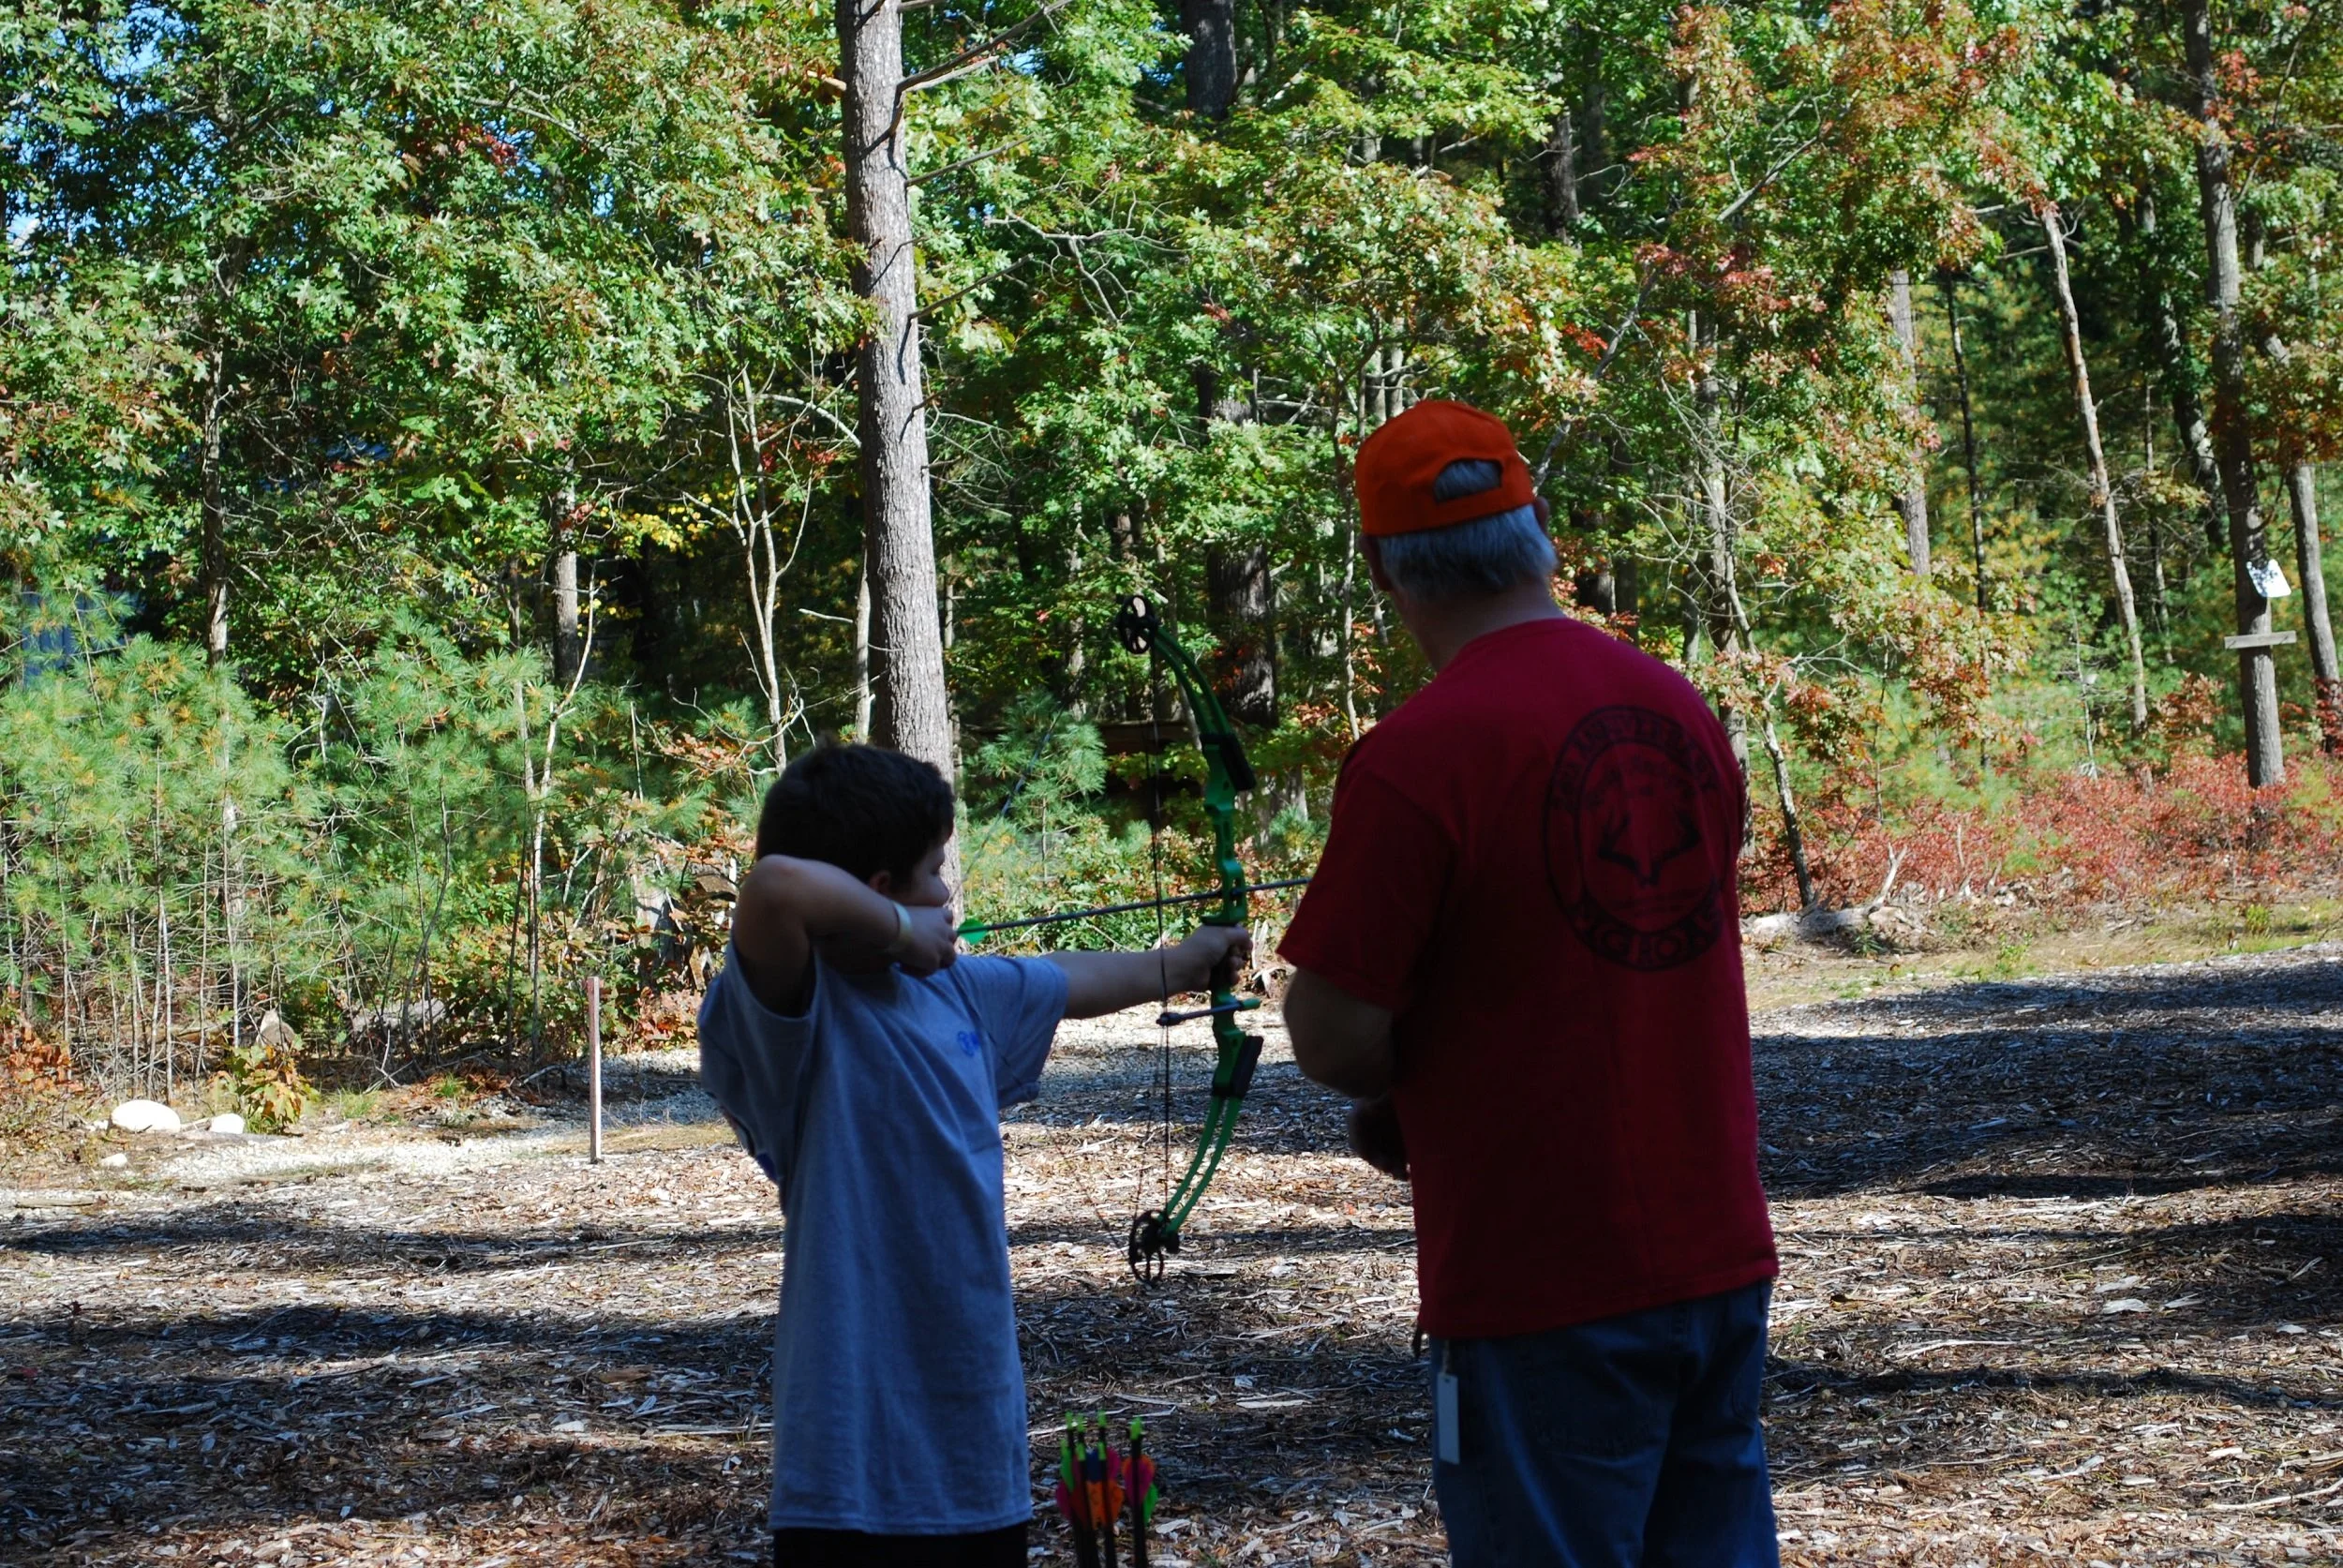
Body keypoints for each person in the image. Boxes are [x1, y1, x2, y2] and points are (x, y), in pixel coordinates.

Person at [1278, 399, 1780, 1567]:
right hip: (1714, 1244)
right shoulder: (1676, 708)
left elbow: (1334, 1031)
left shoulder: (1417, 756)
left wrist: (1405, 1080)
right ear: (1540, 530)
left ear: (1379, 569)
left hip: (1536, 1275)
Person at [698, 742, 1247, 1568]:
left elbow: (1063, 977)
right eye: (931, 873)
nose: (946, 893)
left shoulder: (953, 991)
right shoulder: (793, 1014)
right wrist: (898, 932)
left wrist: (1186, 962)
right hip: (846, 1458)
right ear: (880, 892)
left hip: (974, 1437)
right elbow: (774, 887)